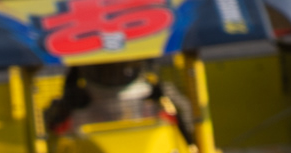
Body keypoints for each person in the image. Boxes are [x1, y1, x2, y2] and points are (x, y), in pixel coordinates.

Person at [47, 59, 195, 142]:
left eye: (120, 65)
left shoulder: (159, 98)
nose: (113, 72)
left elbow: (187, 131)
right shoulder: (75, 103)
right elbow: (52, 134)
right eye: (105, 67)